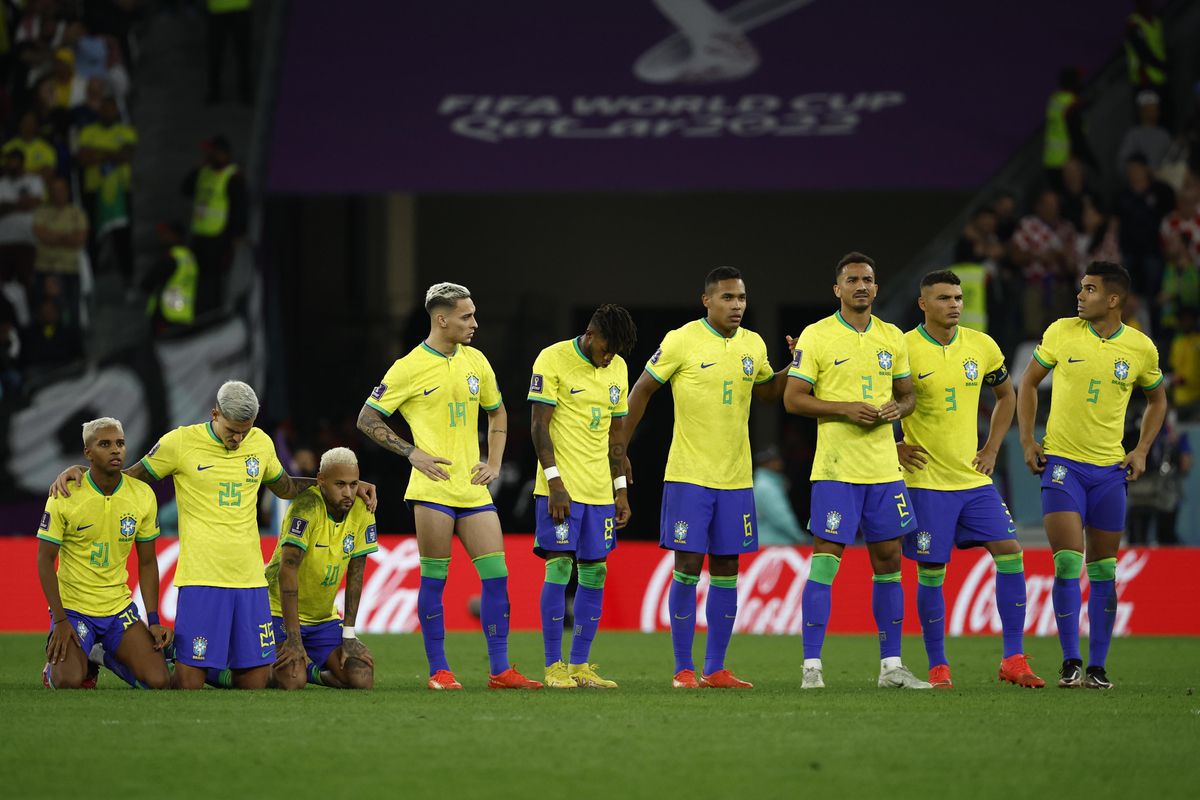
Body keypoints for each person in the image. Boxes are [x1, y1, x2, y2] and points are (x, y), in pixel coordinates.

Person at [51, 381, 376, 690]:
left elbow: (287, 487)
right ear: (215, 414)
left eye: (244, 431)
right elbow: (129, 477)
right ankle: (121, 654)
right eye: (232, 431)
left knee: (255, 684)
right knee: (186, 684)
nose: (237, 438)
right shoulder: (179, 443)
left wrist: (335, 485)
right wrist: (82, 471)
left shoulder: (260, 443)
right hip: (202, 578)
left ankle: (205, 663)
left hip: (249, 580)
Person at [357, 282, 541, 690]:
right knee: (434, 580)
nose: (475, 323)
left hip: (473, 490)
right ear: (442, 320)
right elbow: (367, 419)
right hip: (432, 490)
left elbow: (498, 414)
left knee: (497, 575)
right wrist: (411, 453)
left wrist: (493, 463)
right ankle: (439, 671)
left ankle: (500, 670)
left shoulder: (476, 361)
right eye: (466, 316)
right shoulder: (407, 367)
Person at [622, 265, 793, 689]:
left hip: (736, 479)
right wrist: (617, 448)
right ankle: (683, 669)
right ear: (707, 300)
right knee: (687, 565)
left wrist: (796, 365)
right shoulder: (681, 340)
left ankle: (715, 668)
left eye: (741, 299)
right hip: (689, 475)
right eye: (728, 298)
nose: (737, 306)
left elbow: (769, 393)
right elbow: (642, 389)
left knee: (727, 567)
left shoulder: (753, 344)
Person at [1017, 261, 1167, 689]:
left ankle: (1098, 667)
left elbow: (1158, 401)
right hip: (1062, 465)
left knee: (1103, 570)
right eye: (1081, 289)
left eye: (1089, 289)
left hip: (1109, 473)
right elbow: (1027, 384)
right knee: (1067, 561)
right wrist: (1028, 440)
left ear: (1113, 299)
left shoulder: (1140, 348)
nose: (1080, 296)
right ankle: (1070, 662)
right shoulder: (1060, 332)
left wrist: (1140, 450)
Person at [783, 252, 930, 690]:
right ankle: (812, 667)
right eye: (852, 280)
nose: (861, 286)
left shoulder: (891, 338)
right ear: (838, 290)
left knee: (888, 562)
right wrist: (845, 408)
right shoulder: (818, 335)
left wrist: (896, 409)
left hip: (884, 471)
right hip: (836, 470)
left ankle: (892, 667)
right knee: (827, 562)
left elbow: (907, 396)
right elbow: (793, 398)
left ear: (876, 288)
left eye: (868, 279)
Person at [896, 270, 1043, 689]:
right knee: (931, 571)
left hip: (973, 480)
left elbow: (1006, 395)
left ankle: (1013, 658)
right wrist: (893, 446)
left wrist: (993, 447)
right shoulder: (902, 347)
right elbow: (874, 398)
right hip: (926, 482)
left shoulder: (981, 345)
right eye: (944, 298)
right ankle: (938, 667)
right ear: (924, 304)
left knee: (1011, 552)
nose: (955, 304)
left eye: (958, 297)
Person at [528, 304, 637, 689]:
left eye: (615, 353)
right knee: (559, 568)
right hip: (561, 490)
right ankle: (553, 667)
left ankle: (581, 666)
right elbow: (539, 427)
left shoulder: (618, 368)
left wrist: (620, 489)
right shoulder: (552, 358)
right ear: (591, 335)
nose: (609, 357)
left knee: (596, 571)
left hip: (599, 492)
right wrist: (555, 483)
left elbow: (616, 435)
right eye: (606, 348)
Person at [207, 447, 379, 690]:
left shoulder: (363, 508)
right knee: (290, 679)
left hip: (323, 620)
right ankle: (210, 671)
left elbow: (356, 575)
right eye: (340, 484)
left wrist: (348, 636)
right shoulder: (306, 507)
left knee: (361, 677)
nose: (348, 493)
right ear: (321, 481)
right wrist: (294, 638)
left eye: (353, 484)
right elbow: (287, 571)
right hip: (276, 612)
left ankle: (308, 669)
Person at [37, 417, 171, 689]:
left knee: (159, 681)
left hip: (117, 609)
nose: (115, 450)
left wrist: (154, 620)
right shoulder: (65, 494)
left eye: (120, 443)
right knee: (69, 682)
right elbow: (44, 560)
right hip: (75, 610)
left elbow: (147, 562)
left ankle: (100, 653)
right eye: (105, 444)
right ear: (88, 453)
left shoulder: (142, 495)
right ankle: (56, 666)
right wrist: (60, 620)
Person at [182, 135, 247, 315]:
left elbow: (240, 209)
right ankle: (195, 311)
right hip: (199, 235)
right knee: (194, 277)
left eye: (213, 152)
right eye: (208, 152)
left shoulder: (233, 177)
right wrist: (197, 168)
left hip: (218, 238)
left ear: (224, 154)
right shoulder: (204, 172)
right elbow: (185, 190)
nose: (209, 155)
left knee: (213, 281)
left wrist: (235, 237)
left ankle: (212, 313)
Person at [752, 446, 806, 546]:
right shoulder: (766, 486)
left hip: (770, 542)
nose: (780, 462)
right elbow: (781, 517)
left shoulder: (768, 482)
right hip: (772, 543)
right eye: (775, 460)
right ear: (765, 463)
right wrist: (800, 537)